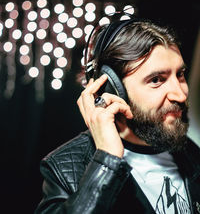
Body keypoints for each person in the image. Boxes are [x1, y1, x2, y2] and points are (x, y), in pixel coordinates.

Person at [35, 15, 200, 214]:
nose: (180, 94)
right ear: (114, 89)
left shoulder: (190, 153)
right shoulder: (64, 168)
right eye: (156, 79)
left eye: (180, 74)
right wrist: (107, 161)